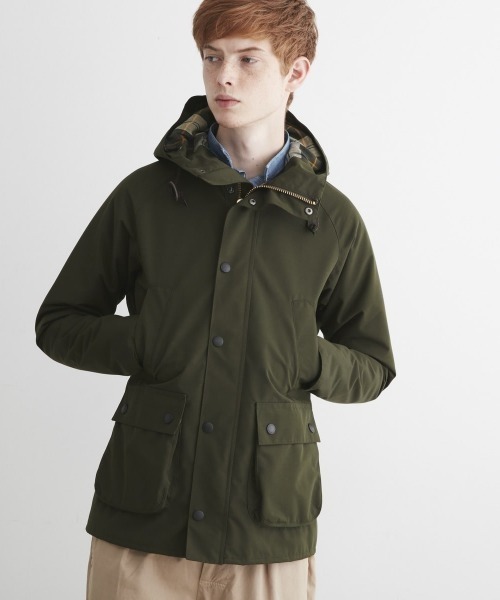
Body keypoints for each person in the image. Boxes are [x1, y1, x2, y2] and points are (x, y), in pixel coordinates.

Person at [35, 0, 396, 598]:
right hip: (145, 521)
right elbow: (59, 323)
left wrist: (302, 355)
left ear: (295, 72)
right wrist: (151, 340)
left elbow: (373, 365)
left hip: (267, 529)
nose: (224, 77)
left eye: (248, 60)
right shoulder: (146, 196)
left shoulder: (329, 218)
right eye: (212, 58)